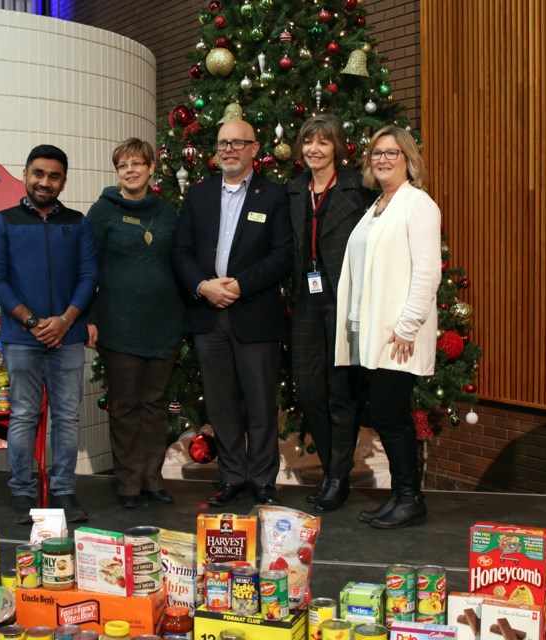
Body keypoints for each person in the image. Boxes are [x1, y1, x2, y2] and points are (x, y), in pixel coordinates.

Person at [172, 119, 293, 506]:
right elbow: (182, 252)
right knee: (221, 404)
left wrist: (240, 284)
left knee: (259, 404)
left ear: (254, 149)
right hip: (208, 315)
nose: (229, 150)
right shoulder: (199, 195)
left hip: (254, 313)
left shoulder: (273, 196)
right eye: (223, 143)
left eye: (238, 143)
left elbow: (282, 256)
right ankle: (231, 477)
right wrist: (203, 286)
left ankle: (261, 480)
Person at [0, 144, 98, 524]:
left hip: (68, 335)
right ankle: (22, 492)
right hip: (21, 338)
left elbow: (89, 277)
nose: (45, 182)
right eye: (38, 173)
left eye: (54, 175)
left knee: (66, 417)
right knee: (24, 416)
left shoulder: (78, 223)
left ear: (64, 180)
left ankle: (64, 491)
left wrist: (64, 321)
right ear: (26, 174)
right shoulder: (3, 221)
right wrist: (32, 322)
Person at [334, 126, 441, 528]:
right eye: (376, 153)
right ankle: (400, 495)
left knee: (389, 411)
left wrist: (408, 326)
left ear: (407, 158)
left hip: (399, 333)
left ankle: (410, 498)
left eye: (391, 153)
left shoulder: (418, 204)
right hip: (375, 331)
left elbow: (428, 271)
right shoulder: (377, 205)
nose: (382, 159)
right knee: (385, 412)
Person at [85, 138, 184, 509]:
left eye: (137, 163)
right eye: (123, 165)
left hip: (164, 325)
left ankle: (152, 479)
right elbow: (87, 268)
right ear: (117, 172)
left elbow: (180, 262)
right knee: (125, 405)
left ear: (151, 168)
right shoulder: (103, 212)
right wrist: (90, 318)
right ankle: (128, 482)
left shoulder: (167, 213)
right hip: (118, 324)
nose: (130, 170)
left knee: (155, 406)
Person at [286, 114, 375, 512]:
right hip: (306, 298)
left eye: (323, 142)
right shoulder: (292, 192)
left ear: (337, 147)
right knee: (307, 388)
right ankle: (330, 469)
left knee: (341, 392)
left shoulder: (359, 191)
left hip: (345, 300)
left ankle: (337, 477)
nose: (314, 149)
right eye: (308, 142)